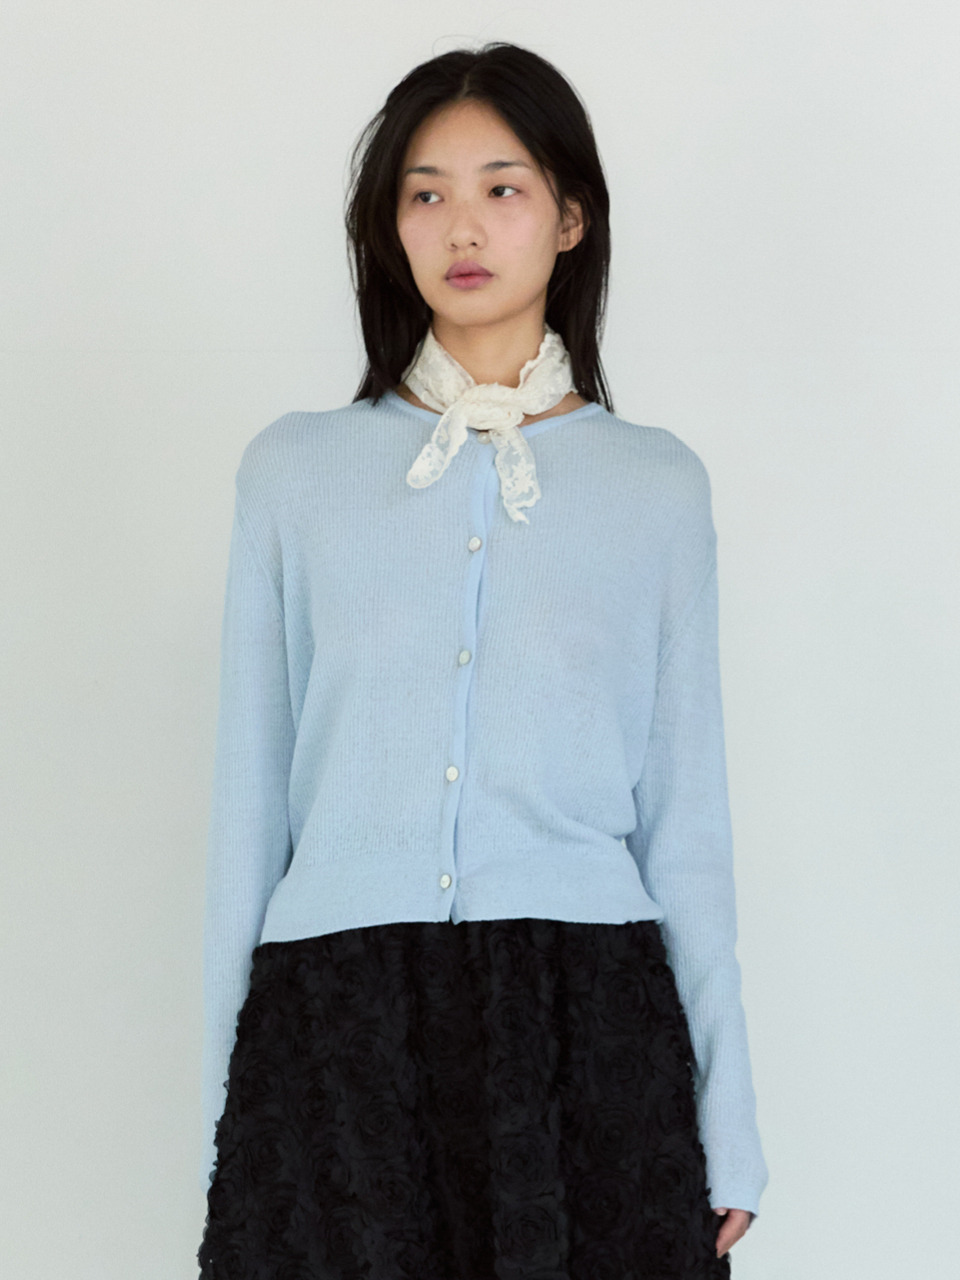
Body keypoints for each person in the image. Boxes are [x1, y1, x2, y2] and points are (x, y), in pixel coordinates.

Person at [197, 41, 769, 1279]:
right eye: (425, 192)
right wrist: (221, 1123)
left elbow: (688, 822)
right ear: (387, 226)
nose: (462, 224)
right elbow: (248, 816)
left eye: (502, 187)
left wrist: (728, 1117)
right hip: (336, 1015)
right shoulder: (293, 472)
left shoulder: (658, 485)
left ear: (570, 217)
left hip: (587, 1016)